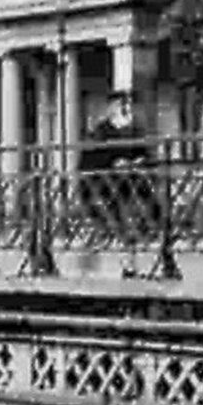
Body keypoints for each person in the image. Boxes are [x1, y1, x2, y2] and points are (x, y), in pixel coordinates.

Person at [81, 91, 155, 272]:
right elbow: (91, 158)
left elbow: (145, 152)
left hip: (134, 182)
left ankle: (134, 260)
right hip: (110, 184)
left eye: (126, 104)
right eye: (119, 104)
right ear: (110, 107)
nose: (123, 107)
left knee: (138, 217)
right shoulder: (101, 130)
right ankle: (125, 262)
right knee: (119, 222)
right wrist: (113, 163)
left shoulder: (135, 129)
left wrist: (139, 162)